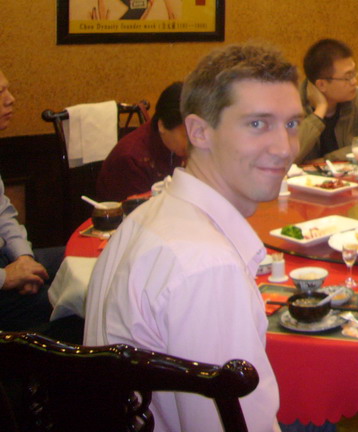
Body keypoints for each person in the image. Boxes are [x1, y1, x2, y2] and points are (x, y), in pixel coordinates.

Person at [85, 43, 303, 431]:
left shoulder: (149, 215)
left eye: (291, 124)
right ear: (199, 132)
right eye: (258, 124)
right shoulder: (206, 266)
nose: (284, 148)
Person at [0, 67, 66, 333]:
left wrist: (24, 257)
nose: (11, 99)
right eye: (0, 92)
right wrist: (6, 278)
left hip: (6, 258)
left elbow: (4, 215)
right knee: (73, 301)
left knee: (77, 260)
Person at [296, 38, 358, 162]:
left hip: (347, 179)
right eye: (347, 77)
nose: (354, 82)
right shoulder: (292, 104)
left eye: (354, 73)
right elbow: (287, 157)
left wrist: (328, 160)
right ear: (321, 85)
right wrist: (320, 110)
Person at [95, 82, 189, 202]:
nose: (195, 141)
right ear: (162, 125)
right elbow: (139, 216)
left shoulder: (175, 144)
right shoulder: (131, 161)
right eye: (186, 135)